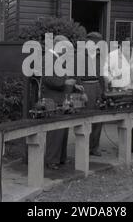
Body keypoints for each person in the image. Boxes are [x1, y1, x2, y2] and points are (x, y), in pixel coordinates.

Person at [103, 37, 133, 155]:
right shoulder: (112, 55)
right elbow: (105, 71)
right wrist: (111, 81)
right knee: (124, 118)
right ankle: (124, 145)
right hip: (121, 91)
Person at [43, 35, 83, 170]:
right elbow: (48, 79)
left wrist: (74, 86)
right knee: (55, 131)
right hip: (52, 98)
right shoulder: (49, 58)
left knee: (63, 130)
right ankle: (51, 160)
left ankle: (61, 158)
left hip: (61, 98)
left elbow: (62, 76)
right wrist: (65, 82)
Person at [80, 32, 105, 156]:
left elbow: (101, 76)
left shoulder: (99, 56)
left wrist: (103, 92)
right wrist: (81, 91)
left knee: (99, 117)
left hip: (97, 87)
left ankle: (95, 147)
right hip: (86, 86)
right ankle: (85, 146)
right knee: (87, 117)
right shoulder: (80, 56)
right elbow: (76, 75)